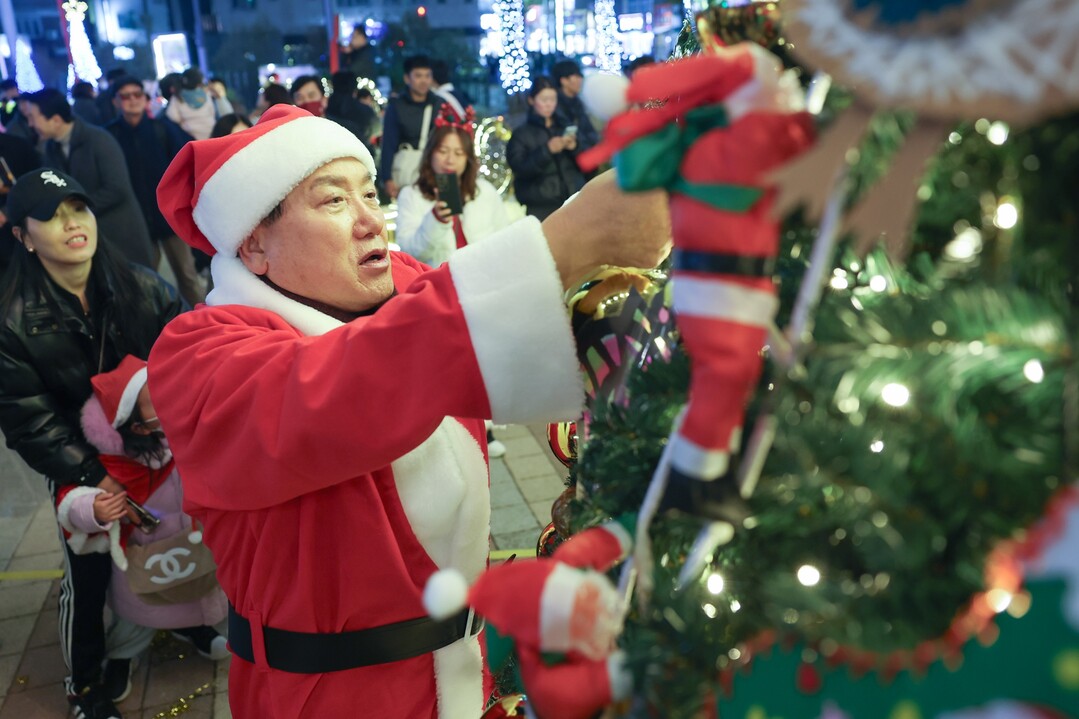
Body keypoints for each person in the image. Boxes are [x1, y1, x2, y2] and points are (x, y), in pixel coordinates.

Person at [146, 103, 670, 718]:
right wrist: (567, 243)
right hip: (327, 700)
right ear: (254, 244)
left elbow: (447, 322)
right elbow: (333, 395)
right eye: (333, 201)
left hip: (462, 677)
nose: (372, 221)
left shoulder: (407, 288)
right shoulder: (197, 354)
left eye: (370, 194)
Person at [0, 169, 185, 719]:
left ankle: (190, 623)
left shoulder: (141, 285)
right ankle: (85, 683)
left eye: (78, 208)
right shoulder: (13, 321)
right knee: (88, 572)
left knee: (178, 536)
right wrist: (91, 474)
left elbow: (187, 362)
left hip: (158, 449)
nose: (72, 223)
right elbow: (29, 422)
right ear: (23, 236)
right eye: (53, 216)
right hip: (81, 464)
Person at [63, 355, 228, 668]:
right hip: (143, 565)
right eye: (159, 399)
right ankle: (121, 659)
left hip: (192, 548)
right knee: (138, 618)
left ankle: (195, 630)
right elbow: (71, 501)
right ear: (137, 426)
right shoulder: (110, 468)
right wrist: (94, 509)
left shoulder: (181, 437)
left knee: (193, 597)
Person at [24, 88, 156, 267]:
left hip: (121, 237)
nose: (30, 124)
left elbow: (117, 189)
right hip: (92, 241)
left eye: (33, 117)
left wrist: (76, 208)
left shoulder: (98, 139)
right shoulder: (51, 148)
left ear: (55, 119)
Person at [106, 76, 204, 306]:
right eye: (125, 96)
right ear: (115, 102)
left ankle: (204, 322)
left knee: (187, 276)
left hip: (169, 216)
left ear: (146, 99)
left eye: (137, 94)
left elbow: (188, 158)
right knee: (142, 280)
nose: (132, 100)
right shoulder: (110, 136)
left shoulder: (162, 129)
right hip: (135, 220)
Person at [506, 76, 585, 221]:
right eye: (544, 99)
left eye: (553, 99)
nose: (549, 104)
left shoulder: (564, 126)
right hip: (540, 206)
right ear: (531, 100)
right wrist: (547, 150)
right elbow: (520, 168)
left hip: (572, 200)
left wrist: (575, 147)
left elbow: (587, 164)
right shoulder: (521, 134)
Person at [380, 54, 439, 199]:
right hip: (406, 170)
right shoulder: (396, 106)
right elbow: (388, 143)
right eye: (418, 76)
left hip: (434, 171)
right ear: (407, 78)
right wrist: (387, 177)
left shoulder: (439, 104)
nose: (424, 80)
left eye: (427, 75)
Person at [290, 74, 372, 153]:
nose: (307, 101)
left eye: (312, 96)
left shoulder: (345, 130)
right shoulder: (291, 136)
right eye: (300, 98)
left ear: (324, 99)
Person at [551, 59, 599, 158]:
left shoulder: (577, 101)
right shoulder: (556, 106)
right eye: (576, 77)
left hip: (586, 154)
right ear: (564, 81)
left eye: (580, 77)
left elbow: (589, 130)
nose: (580, 80)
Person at [166, 68, 231, 140]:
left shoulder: (177, 97)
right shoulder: (206, 93)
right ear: (199, 81)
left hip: (191, 137)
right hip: (211, 134)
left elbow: (173, 116)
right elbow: (214, 112)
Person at [329, 70, 379, 151]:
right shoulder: (365, 110)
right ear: (354, 90)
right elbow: (376, 129)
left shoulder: (327, 109)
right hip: (361, 154)